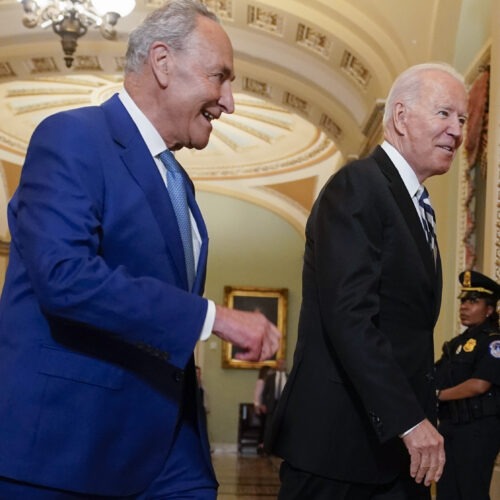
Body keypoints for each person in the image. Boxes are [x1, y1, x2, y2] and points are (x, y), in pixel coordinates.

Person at [0, 1, 281, 498]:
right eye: (220, 77)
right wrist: (214, 317)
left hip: (169, 451)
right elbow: (65, 276)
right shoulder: (73, 137)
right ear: (163, 63)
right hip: (71, 452)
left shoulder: (179, 182)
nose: (229, 102)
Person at [266, 62, 468, 500]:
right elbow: (350, 316)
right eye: (444, 114)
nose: (457, 130)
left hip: (392, 451)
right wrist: (410, 422)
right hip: (339, 449)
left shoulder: (411, 201)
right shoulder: (358, 185)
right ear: (399, 117)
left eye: (463, 119)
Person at [435, 270, 500, 500]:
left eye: (473, 301)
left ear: (489, 309)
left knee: (471, 491)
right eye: (463, 300)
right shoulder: (455, 345)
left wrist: (438, 395)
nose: (464, 306)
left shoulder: (493, 341)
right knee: (447, 492)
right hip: (450, 426)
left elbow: (479, 385)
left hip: (477, 431)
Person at [261, 359, 287, 449]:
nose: (280, 365)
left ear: (285, 365)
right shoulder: (271, 377)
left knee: (283, 427)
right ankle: (267, 447)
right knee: (269, 426)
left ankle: (281, 448)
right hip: (272, 405)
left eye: (282, 363)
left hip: (284, 405)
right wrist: (263, 404)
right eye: (279, 363)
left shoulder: (288, 377)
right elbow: (265, 392)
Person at [253, 364, 271, 454]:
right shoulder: (261, 382)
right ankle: (260, 446)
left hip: (264, 407)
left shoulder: (267, 382)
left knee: (265, 428)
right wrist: (258, 406)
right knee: (263, 428)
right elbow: (257, 395)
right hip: (261, 408)